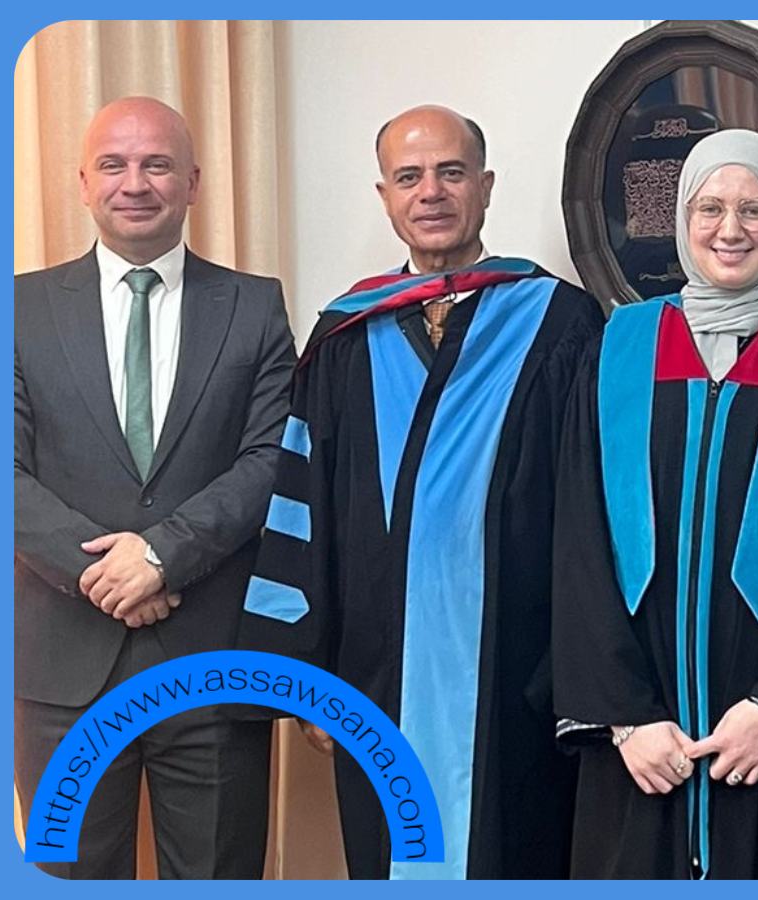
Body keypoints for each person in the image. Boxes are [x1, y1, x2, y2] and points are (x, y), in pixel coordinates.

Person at [238, 105, 603, 879]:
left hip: (519, 672)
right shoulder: (345, 337)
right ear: (385, 196)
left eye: (451, 172)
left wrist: (574, 675)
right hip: (372, 674)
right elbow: (303, 507)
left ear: (486, 186)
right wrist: (310, 676)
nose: (431, 192)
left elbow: (590, 515)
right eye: (409, 177)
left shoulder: (561, 323)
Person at [552, 129, 758, 880]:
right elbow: (578, 544)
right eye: (709, 208)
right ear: (682, 219)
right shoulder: (616, 350)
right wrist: (626, 716)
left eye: (755, 209)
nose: (730, 229)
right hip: (645, 748)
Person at [14, 96, 294, 878]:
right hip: (61, 670)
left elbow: (272, 457)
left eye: (157, 164)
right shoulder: (18, 308)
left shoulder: (255, 305)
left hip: (213, 664)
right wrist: (105, 572)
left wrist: (162, 556)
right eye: (113, 164)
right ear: (83, 183)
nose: (134, 183)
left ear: (194, 181)